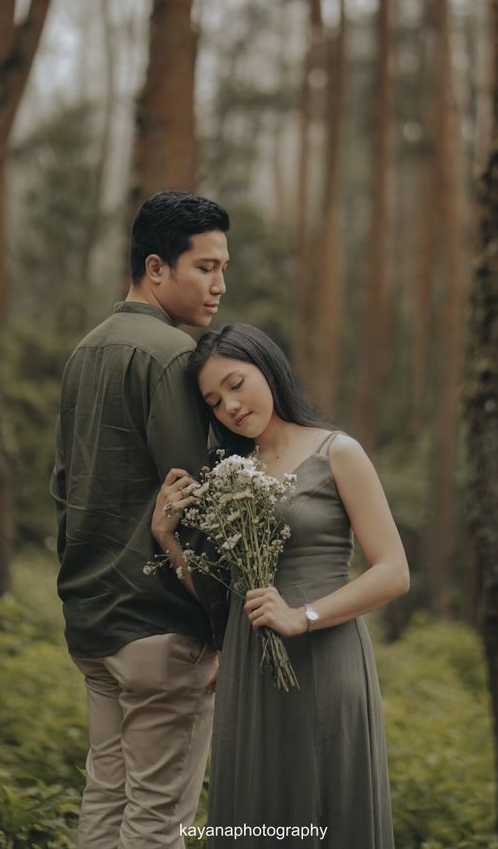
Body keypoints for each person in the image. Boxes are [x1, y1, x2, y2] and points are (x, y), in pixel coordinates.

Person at [153, 323, 409, 849]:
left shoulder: (337, 452)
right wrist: (167, 539)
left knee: (326, 811)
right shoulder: (230, 474)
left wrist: (304, 614)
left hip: (326, 658)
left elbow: (393, 571)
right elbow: (219, 597)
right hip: (250, 669)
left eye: (236, 383)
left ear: (267, 367)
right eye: (214, 400)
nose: (230, 405)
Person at [50, 190, 230, 849]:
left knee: (105, 801)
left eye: (222, 268)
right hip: (160, 626)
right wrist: (219, 622)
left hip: (92, 623)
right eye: (205, 267)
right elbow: (195, 500)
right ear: (156, 267)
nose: (219, 285)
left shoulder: (85, 351)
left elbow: (63, 487)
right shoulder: (173, 356)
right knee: (158, 822)